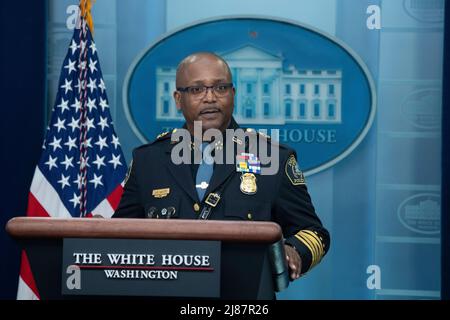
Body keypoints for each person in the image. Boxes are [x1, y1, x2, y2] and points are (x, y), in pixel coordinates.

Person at [113, 52, 330, 282]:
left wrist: (293, 250)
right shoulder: (149, 161)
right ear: (178, 99)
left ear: (233, 94)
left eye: (220, 88)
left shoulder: (271, 158)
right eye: (197, 90)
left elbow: (314, 233)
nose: (210, 98)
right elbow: (119, 235)